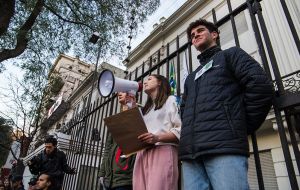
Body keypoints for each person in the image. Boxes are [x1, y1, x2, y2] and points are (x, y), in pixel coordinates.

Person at [179, 18, 274, 190]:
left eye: (200, 30)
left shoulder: (231, 55)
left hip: (223, 147)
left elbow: (260, 86)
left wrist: (238, 124)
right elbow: (183, 111)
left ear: (214, 34)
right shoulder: (191, 78)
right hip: (191, 154)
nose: (195, 35)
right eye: (192, 35)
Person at [133, 74, 181, 190]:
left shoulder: (171, 100)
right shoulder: (146, 109)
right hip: (142, 153)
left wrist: (157, 138)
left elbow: (180, 129)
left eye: (149, 79)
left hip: (163, 150)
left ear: (160, 82)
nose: (145, 82)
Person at [98, 92, 136, 190]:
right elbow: (108, 148)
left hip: (124, 179)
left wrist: (130, 105)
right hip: (109, 179)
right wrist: (102, 172)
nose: (120, 95)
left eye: (124, 93)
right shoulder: (116, 121)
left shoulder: (138, 115)